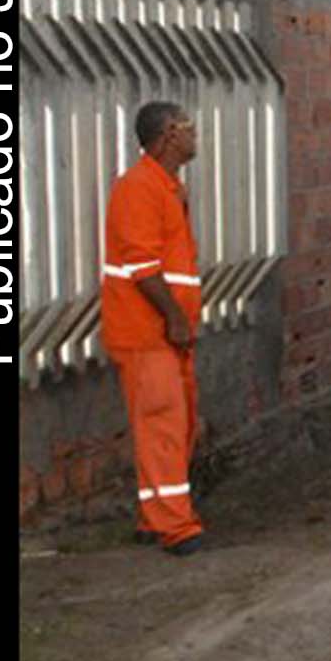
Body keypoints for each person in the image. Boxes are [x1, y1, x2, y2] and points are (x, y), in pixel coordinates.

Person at [101, 101, 207, 556]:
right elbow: (142, 266)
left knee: (171, 426)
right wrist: (175, 318)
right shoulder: (138, 188)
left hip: (163, 333)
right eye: (188, 128)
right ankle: (176, 528)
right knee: (163, 426)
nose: (194, 135)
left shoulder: (166, 188)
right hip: (147, 333)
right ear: (167, 135)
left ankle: (153, 518)